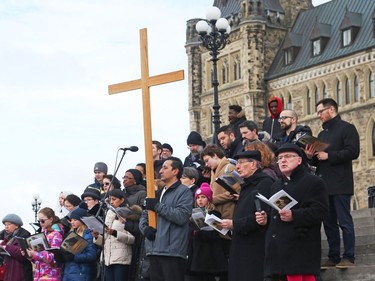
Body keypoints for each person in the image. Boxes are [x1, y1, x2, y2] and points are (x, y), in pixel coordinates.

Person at [256, 143, 329, 281]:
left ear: (299, 160)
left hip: (299, 251)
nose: (283, 160)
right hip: (277, 253)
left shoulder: (314, 182)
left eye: (288, 156)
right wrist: (266, 220)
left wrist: (294, 215)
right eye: (280, 158)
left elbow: (321, 211)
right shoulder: (276, 185)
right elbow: (276, 215)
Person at [305, 98, 360, 269]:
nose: (318, 115)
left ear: (331, 109)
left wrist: (330, 156)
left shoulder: (347, 128)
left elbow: (353, 151)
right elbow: (317, 162)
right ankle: (334, 256)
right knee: (328, 223)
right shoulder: (321, 135)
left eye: (320, 111)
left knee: (344, 221)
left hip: (341, 183)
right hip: (324, 184)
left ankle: (348, 256)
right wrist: (309, 157)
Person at [220, 150, 274, 281]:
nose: (237, 167)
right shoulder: (247, 185)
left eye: (241, 163)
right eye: (237, 163)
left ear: (253, 165)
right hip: (241, 245)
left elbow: (262, 215)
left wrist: (234, 224)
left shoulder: (264, 183)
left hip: (254, 247)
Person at [140, 156, 193, 281]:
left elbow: (181, 216)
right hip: (153, 250)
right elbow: (144, 215)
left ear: (175, 171)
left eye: (165, 168)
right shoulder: (156, 194)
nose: (161, 171)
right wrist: (145, 229)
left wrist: (157, 206)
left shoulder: (184, 192)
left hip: (172, 252)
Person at [187, 183, 228, 281]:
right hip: (195, 250)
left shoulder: (214, 213)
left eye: (203, 197)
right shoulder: (193, 212)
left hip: (209, 252)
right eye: (198, 197)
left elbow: (215, 233)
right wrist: (194, 232)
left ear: (208, 199)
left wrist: (199, 232)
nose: (200, 200)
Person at [93, 189, 135, 281]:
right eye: (110, 199)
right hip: (107, 258)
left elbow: (132, 239)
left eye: (114, 199)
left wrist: (115, 233)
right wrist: (96, 236)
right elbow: (105, 239)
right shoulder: (108, 213)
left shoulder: (128, 213)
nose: (111, 202)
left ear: (122, 200)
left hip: (121, 258)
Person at [27, 207, 64, 281]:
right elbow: (38, 260)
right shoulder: (42, 235)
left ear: (51, 219)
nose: (40, 223)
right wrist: (29, 255)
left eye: (42, 221)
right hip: (39, 276)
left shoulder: (56, 235)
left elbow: (54, 258)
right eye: (39, 221)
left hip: (51, 276)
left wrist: (36, 255)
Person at [62, 208, 97, 281]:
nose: (72, 222)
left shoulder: (88, 234)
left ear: (82, 221)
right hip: (68, 272)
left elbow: (91, 255)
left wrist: (74, 257)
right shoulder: (71, 234)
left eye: (75, 220)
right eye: (71, 220)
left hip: (81, 273)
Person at [1, 214, 32, 281]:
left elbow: (23, 254)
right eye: (5, 225)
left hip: (19, 273)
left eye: (9, 224)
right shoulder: (5, 238)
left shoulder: (24, 236)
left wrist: (6, 247)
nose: (6, 227)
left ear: (17, 226)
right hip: (7, 273)